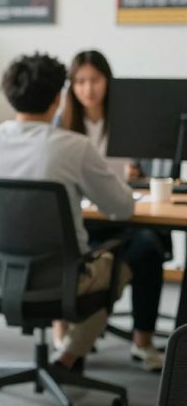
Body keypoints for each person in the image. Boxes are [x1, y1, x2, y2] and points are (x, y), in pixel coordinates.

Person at [0, 52, 133, 371]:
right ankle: (68, 356)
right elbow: (122, 208)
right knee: (123, 262)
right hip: (63, 281)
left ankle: (61, 346)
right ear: (59, 97)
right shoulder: (73, 147)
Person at [58, 49, 167, 371]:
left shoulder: (129, 118)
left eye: (94, 80)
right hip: (80, 217)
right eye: (79, 81)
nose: (87, 89)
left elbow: (150, 169)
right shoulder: (61, 123)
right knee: (64, 249)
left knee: (150, 246)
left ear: (108, 81)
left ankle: (142, 342)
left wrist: (139, 173)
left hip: (119, 213)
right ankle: (62, 337)